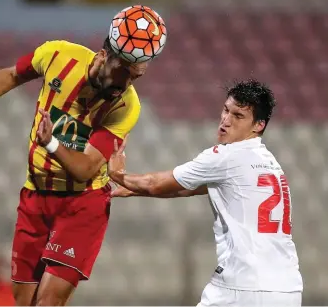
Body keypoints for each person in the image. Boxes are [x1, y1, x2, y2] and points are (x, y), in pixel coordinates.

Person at [0, 10, 156, 305]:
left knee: (47, 302)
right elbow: (11, 75)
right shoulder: (57, 55)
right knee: (23, 301)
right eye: (123, 71)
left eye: (135, 76)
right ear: (104, 54)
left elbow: (85, 169)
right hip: (35, 195)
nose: (127, 83)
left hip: (83, 203)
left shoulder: (126, 106)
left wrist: (52, 143)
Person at [108, 80, 303, 307]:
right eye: (226, 110)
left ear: (259, 125)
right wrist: (135, 190)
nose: (225, 120)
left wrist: (117, 173)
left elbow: (154, 183)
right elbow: (188, 187)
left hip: (242, 287)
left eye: (238, 116)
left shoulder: (226, 155)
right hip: (287, 289)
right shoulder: (268, 162)